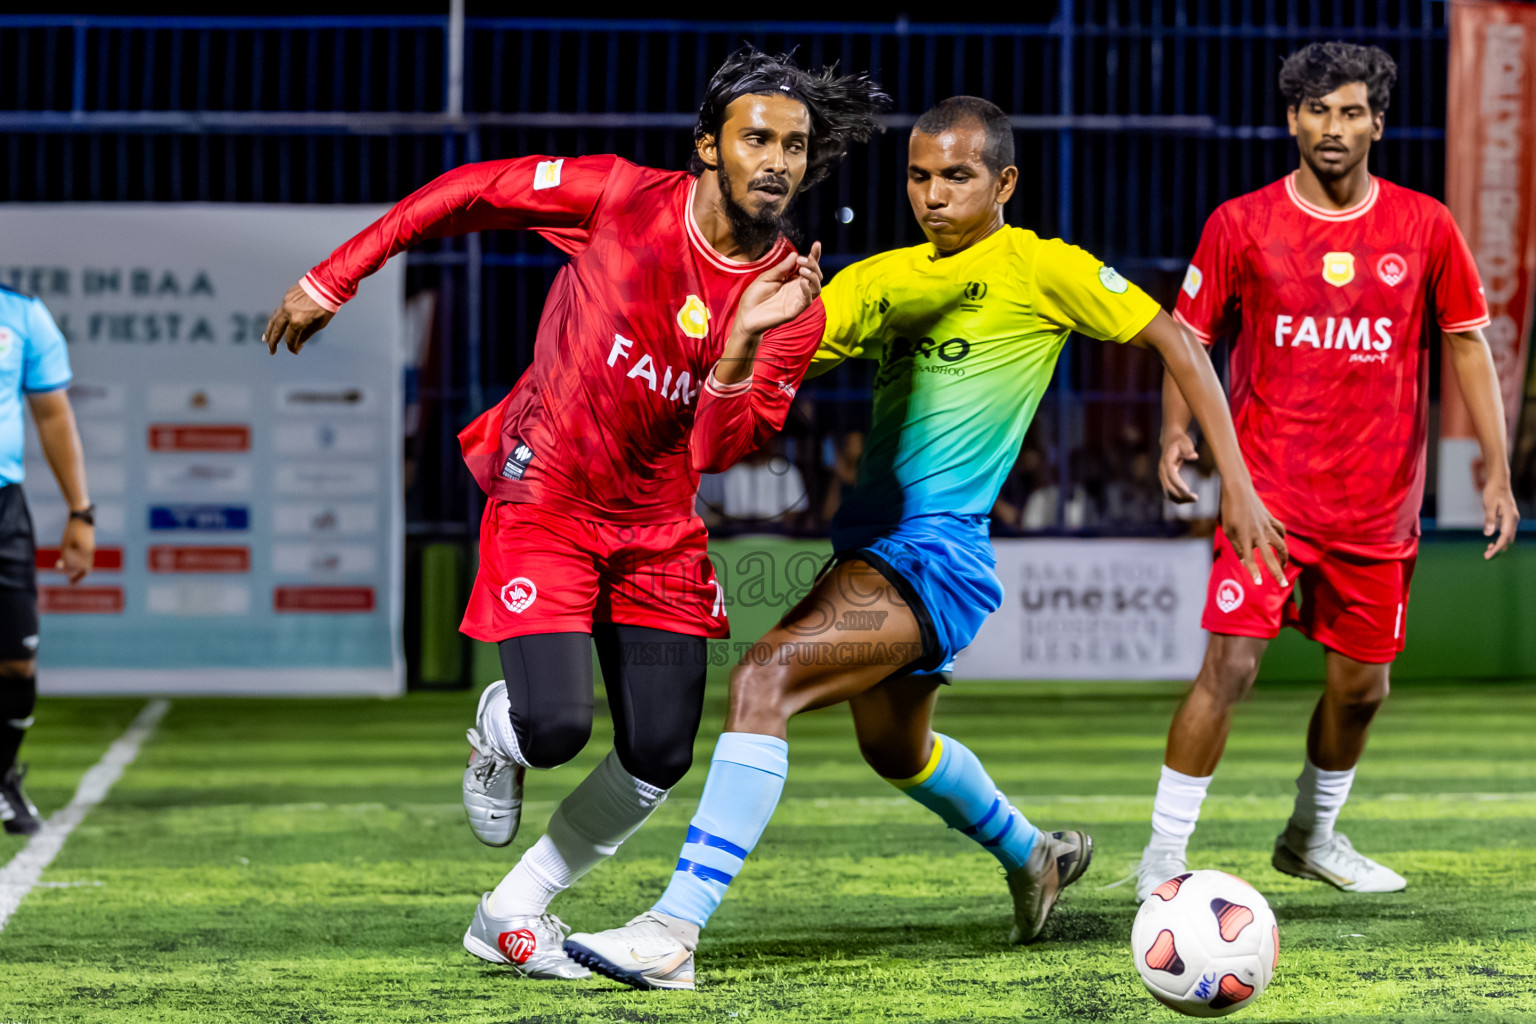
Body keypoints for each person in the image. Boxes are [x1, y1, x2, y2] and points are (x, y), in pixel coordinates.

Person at [563, 96, 1286, 991]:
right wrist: (737, 323)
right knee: (896, 748)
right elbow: (756, 361)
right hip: (874, 548)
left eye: (957, 176)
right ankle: (1035, 855)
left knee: (761, 681)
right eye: (918, 176)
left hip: (933, 557)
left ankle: (674, 930)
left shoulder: (1043, 269)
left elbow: (1177, 339)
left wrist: (1239, 490)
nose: (934, 195)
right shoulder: (880, 280)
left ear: (1004, 182)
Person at [261, 48, 887, 979]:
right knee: (554, 730)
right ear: (707, 146)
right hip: (547, 491)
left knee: (660, 753)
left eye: (796, 147)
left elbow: (716, 449)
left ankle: (511, 907)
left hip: (659, 527)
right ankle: (498, 730)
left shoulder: (794, 301)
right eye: (758, 137)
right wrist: (335, 275)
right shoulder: (621, 199)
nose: (779, 162)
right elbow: (470, 190)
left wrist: (746, 336)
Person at [1135, 42, 1518, 901]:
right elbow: (1186, 339)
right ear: (1291, 120)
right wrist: (1176, 433)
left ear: (1379, 122)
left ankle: (1310, 836)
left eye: (1350, 112)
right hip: (1265, 497)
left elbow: (1466, 344)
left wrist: (1496, 470)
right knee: (1228, 667)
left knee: (1363, 688)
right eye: (1316, 111)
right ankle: (1163, 858)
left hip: (1378, 508)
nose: (1332, 128)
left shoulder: (1425, 226)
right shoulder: (1241, 224)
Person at [0, 284, 94, 835]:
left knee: (16, 661)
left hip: (3, 506)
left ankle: (2, 774)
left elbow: (54, 415)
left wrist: (81, 512)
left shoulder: (23, 313)